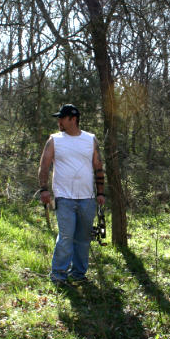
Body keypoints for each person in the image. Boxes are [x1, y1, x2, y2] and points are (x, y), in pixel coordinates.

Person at [38, 104, 106, 285]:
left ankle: (78, 274)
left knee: (83, 238)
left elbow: (98, 166)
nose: (59, 121)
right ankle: (59, 275)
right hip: (64, 197)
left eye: (62, 118)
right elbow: (44, 165)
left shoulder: (90, 139)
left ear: (73, 119)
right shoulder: (54, 140)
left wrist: (100, 193)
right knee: (66, 236)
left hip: (87, 198)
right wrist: (44, 189)